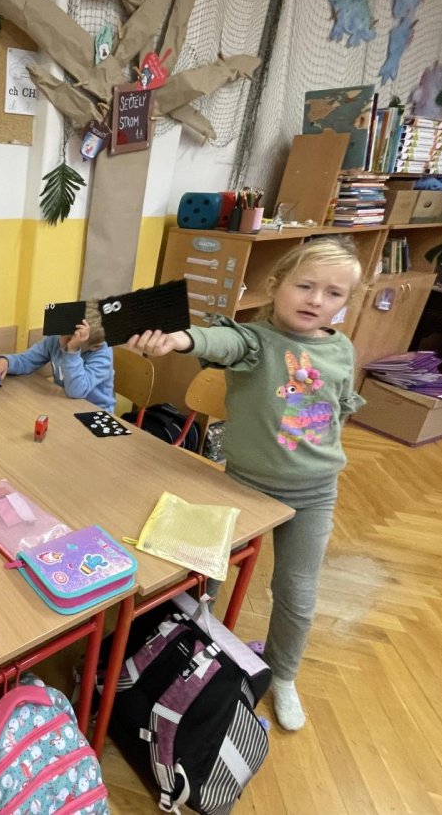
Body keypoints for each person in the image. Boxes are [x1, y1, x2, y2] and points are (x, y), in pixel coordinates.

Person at [126, 238, 366, 731]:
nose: (316, 300)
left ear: (346, 302)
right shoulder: (255, 341)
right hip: (243, 485)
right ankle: (189, 648)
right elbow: (220, 342)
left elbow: (339, 404)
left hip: (315, 490)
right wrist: (179, 339)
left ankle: (284, 674)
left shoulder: (341, 347)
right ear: (276, 285)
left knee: (296, 591)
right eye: (305, 285)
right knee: (203, 576)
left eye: (333, 293)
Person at [0, 301, 116, 412]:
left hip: (94, 412)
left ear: (95, 346)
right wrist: (6, 361)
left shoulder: (102, 355)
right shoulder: (58, 338)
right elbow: (28, 360)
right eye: (63, 334)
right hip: (64, 404)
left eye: (70, 340)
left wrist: (72, 350)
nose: (61, 341)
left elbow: (76, 391)